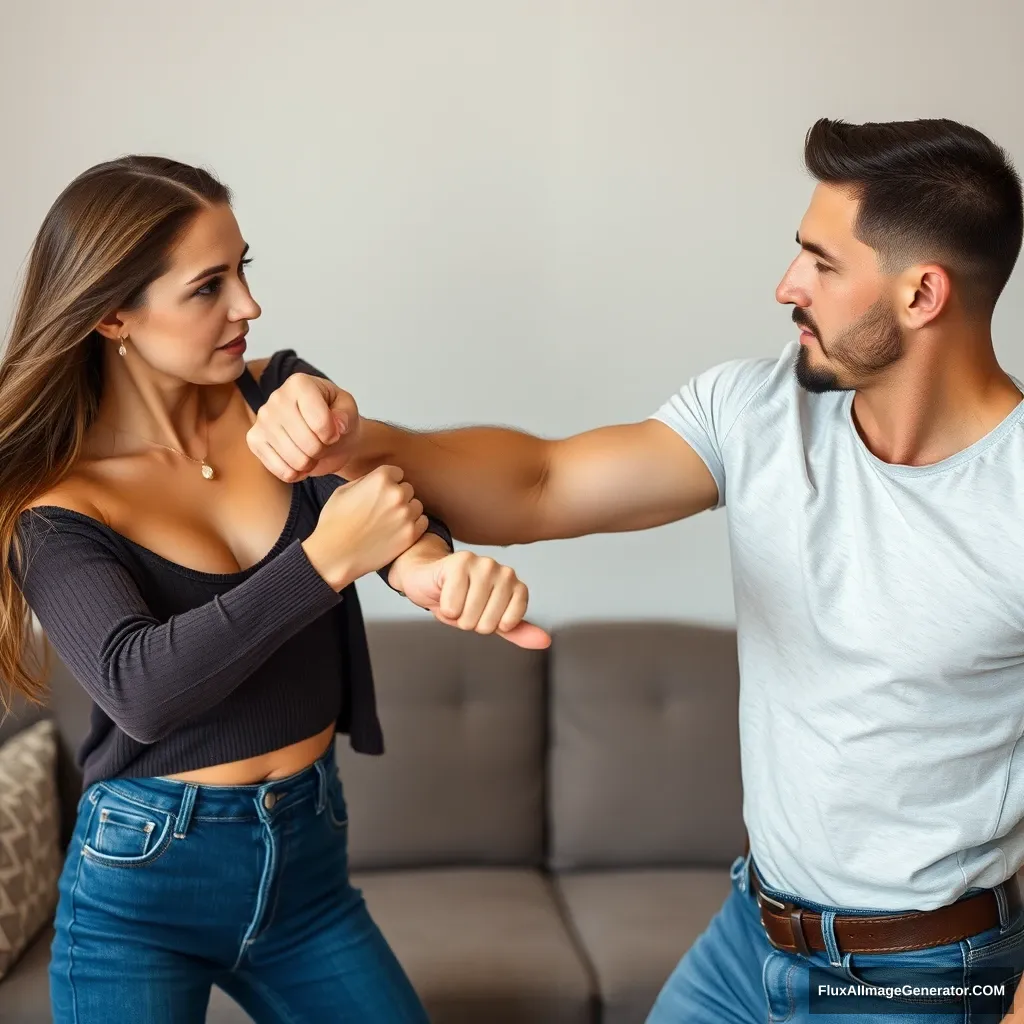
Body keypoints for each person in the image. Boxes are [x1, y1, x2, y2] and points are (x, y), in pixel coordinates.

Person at [245, 118, 1024, 1022]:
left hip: (928, 975)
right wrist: (355, 437)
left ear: (923, 293)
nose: (786, 287)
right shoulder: (759, 409)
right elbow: (541, 483)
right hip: (751, 939)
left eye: (821, 263)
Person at [0, 155, 550, 1024]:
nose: (248, 306)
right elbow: (141, 687)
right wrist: (326, 561)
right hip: (143, 887)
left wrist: (439, 572)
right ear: (112, 314)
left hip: (306, 866)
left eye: (243, 269)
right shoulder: (60, 503)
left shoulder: (279, 396)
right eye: (207, 286)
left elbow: (373, 514)